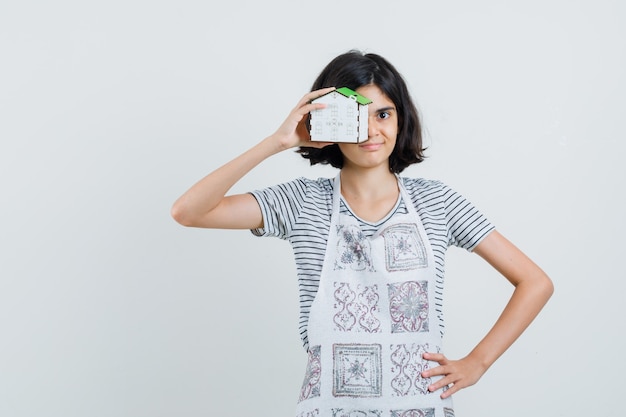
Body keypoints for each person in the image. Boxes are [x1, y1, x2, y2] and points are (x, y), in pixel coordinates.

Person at [171, 50, 553, 417]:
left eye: (384, 114)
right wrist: (278, 142)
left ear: (401, 119)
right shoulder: (302, 203)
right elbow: (189, 211)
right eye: (356, 117)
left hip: (419, 407)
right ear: (328, 122)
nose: (372, 131)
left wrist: (477, 363)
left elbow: (535, 282)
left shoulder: (437, 202)